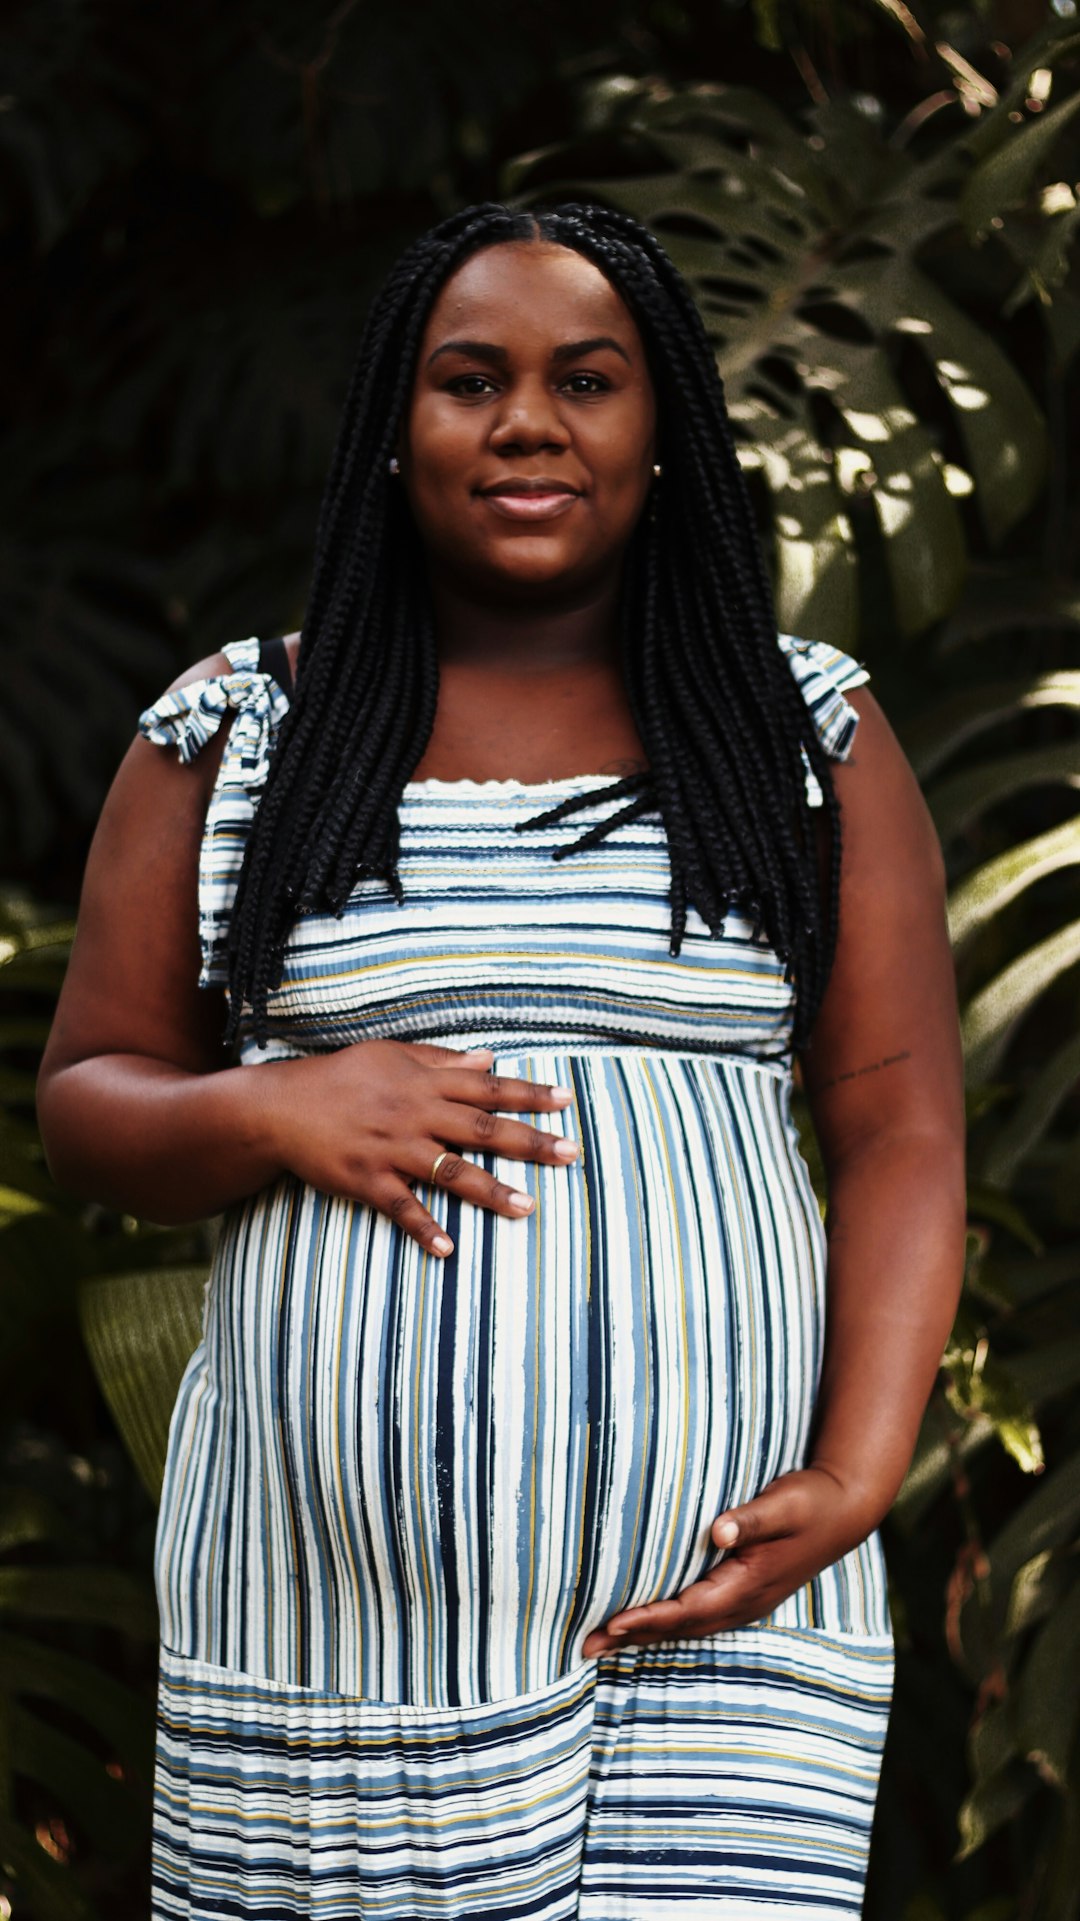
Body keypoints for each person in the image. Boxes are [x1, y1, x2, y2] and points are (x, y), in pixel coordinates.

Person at [36, 201, 966, 1920]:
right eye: (472, 379)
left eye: (588, 381)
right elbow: (91, 1098)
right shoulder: (247, 734)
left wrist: (856, 1472)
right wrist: (267, 1102)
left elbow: (902, 1127)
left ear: (662, 428)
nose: (529, 420)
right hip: (329, 1631)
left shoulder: (797, 735)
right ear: (396, 429)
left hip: (721, 1603)